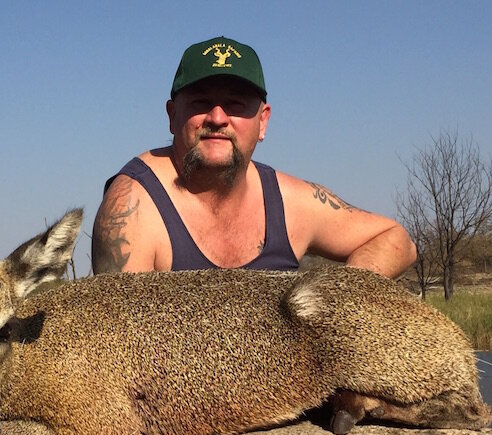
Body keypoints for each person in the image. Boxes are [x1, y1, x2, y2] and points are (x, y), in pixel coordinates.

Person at [92, 36, 416, 276]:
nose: (218, 118)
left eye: (235, 104)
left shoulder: (291, 203)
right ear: (172, 115)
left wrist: (339, 295)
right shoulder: (132, 208)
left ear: (263, 121)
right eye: (201, 102)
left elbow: (396, 239)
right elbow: (125, 352)